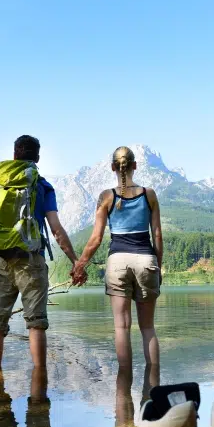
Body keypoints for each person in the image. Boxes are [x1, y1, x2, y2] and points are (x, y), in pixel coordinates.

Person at [0, 135, 85, 372]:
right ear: (37, 157)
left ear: (15, 155)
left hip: (1, 260)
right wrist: (75, 262)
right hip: (31, 261)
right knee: (36, 323)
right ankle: (39, 384)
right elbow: (56, 229)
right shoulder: (42, 186)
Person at [72, 146, 164, 373]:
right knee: (148, 328)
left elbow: (95, 239)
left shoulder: (106, 197)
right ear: (135, 165)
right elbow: (158, 235)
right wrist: (158, 268)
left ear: (113, 167)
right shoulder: (149, 194)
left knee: (121, 328)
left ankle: (123, 390)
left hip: (117, 262)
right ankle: (153, 386)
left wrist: (79, 266)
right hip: (145, 259)